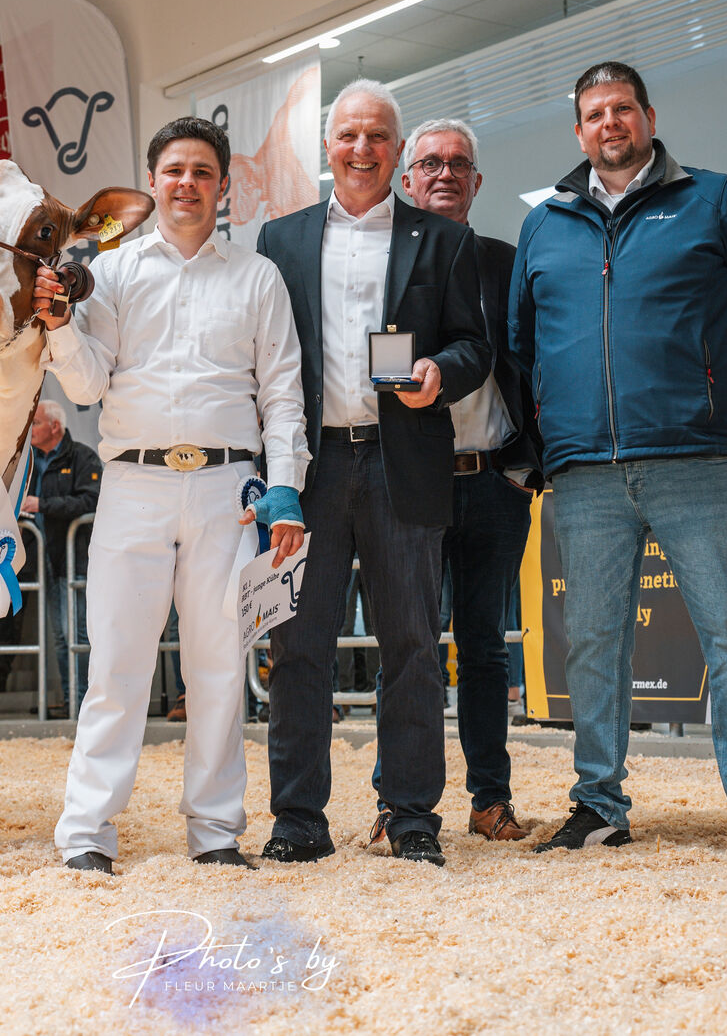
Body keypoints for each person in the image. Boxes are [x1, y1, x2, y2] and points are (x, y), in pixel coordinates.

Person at [510, 61, 727, 861]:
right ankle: (598, 803)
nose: (611, 123)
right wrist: (553, 433)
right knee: (594, 643)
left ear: (649, 116)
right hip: (586, 474)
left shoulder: (716, 199)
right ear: (578, 130)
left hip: (694, 459)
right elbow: (521, 341)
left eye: (624, 109)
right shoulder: (547, 222)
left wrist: (713, 389)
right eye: (595, 113)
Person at [36, 116, 309, 874]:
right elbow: (88, 381)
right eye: (173, 170)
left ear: (223, 189)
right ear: (151, 183)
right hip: (133, 486)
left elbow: (283, 396)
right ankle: (88, 833)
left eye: (202, 172)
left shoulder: (257, 278)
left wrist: (285, 488)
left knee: (220, 667)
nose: (186, 182)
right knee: (116, 663)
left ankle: (216, 832)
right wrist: (60, 325)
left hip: (230, 489)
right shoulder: (116, 273)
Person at [257, 80, 490, 868]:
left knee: (414, 646)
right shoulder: (278, 241)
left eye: (378, 137)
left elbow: (474, 346)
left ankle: (413, 813)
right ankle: (298, 817)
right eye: (349, 136)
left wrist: (439, 370)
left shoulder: (443, 240)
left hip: (406, 466)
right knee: (298, 647)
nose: (363, 150)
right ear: (328, 147)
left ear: (397, 149)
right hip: (311, 466)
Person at [365, 117, 543, 845]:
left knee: (485, 649)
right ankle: (394, 800)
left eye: (458, 164)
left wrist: (530, 457)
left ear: (476, 182)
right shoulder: (380, 266)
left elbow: (535, 359)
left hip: (494, 478)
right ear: (406, 180)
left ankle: (489, 799)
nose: (443, 173)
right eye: (429, 163)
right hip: (411, 484)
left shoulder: (508, 262)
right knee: (407, 645)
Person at [22, 399, 101, 715]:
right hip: (45, 559)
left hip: (76, 559)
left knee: (78, 634)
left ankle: (84, 704)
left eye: (36, 423)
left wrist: (43, 505)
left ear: (55, 426)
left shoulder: (82, 457)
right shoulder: (26, 461)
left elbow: (91, 501)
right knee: (58, 637)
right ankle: (71, 701)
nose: (30, 429)